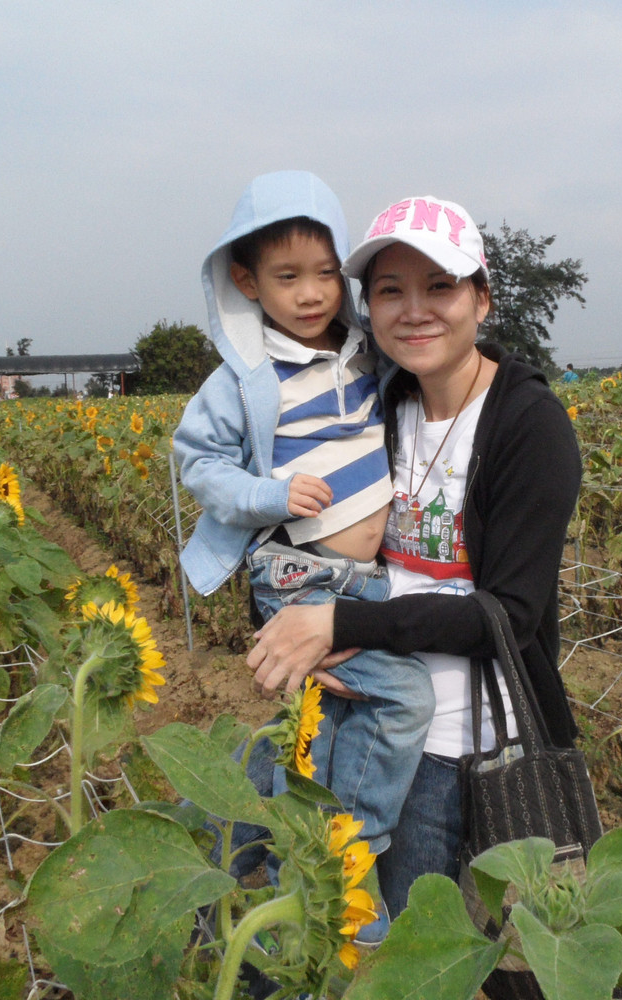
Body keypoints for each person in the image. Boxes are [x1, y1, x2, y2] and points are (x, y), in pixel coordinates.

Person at [246, 195, 584, 921]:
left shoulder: (528, 425)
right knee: (316, 913)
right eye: (390, 290)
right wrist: (291, 616)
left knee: (423, 944)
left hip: (463, 750)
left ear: (481, 299)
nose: (415, 310)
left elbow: (510, 616)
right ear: (367, 308)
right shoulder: (374, 405)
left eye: (440, 286)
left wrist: (339, 626)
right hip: (355, 719)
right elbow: (294, 530)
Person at [172, 172, 435, 893]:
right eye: (287, 277)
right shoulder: (244, 378)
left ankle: (223, 846)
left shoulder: (364, 352)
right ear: (246, 281)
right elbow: (198, 462)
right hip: (300, 572)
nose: (312, 293)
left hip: (367, 579)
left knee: (320, 722)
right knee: (400, 698)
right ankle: (335, 866)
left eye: (325, 273)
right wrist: (269, 493)